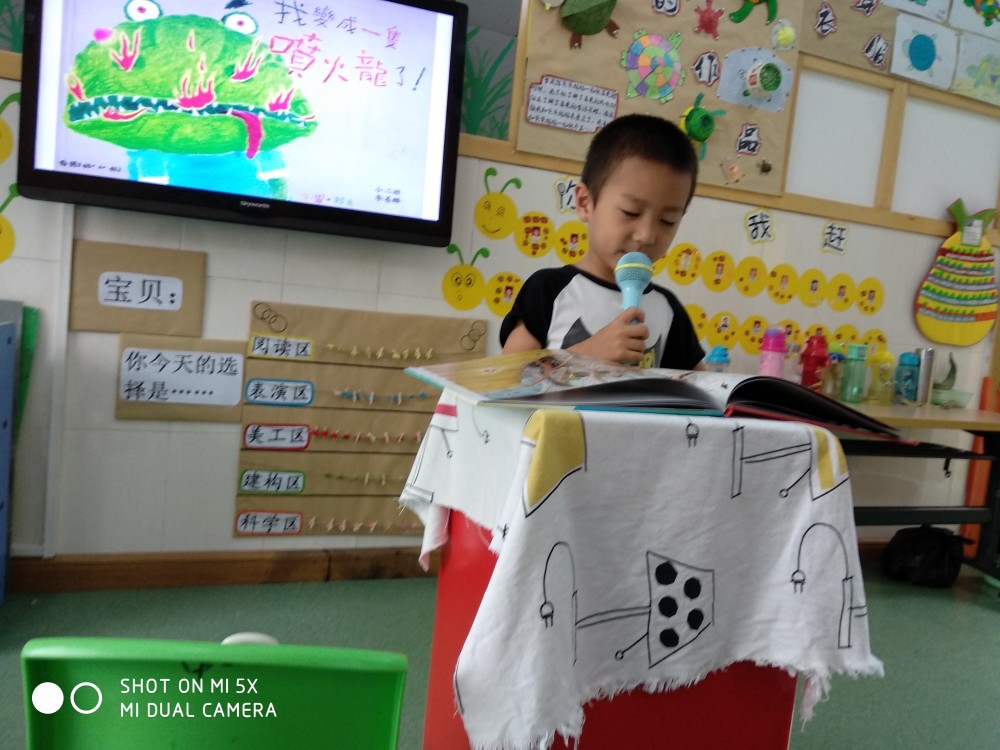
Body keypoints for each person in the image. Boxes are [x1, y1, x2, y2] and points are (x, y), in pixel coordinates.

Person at [499, 114, 705, 370]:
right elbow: (506, 377)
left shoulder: (668, 309)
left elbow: (701, 388)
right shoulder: (548, 289)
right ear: (585, 203)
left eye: (668, 220)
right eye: (630, 212)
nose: (647, 235)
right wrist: (584, 355)